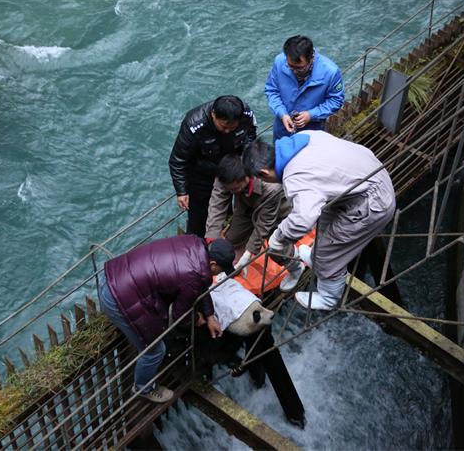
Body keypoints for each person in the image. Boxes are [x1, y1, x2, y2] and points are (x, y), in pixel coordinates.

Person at [242, 130, 396, 310]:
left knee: (330, 251)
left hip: (372, 203)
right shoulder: (305, 137)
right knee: (324, 222)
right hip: (369, 176)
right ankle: (315, 256)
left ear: (263, 173)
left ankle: (328, 298)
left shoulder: (295, 177)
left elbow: (303, 219)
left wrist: (280, 236)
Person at [96, 235, 235, 403]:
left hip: (111, 275)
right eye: (221, 270)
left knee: (154, 330)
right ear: (213, 265)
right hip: (119, 299)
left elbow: (200, 285)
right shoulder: (195, 275)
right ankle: (143, 388)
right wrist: (195, 321)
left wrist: (209, 315)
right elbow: (180, 317)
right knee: (155, 350)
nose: (220, 273)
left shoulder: (193, 244)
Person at [169, 95, 257, 237]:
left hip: (232, 170)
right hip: (202, 175)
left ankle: (229, 234)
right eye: (223, 126)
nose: (228, 131)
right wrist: (181, 191)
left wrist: (245, 160)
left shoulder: (245, 114)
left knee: (230, 206)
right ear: (213, 115)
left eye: (232, 127)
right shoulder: (194, 125)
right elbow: (178, 160)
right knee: (199, 215)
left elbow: (251, 135)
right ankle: (196, 244)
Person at [204, 155, 295, 288]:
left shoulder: (270, 187)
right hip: (246, 205)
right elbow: (217, 203)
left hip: (276, 210)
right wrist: (212, 238)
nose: (232, 192)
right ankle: (233, 267)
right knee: (233, 238)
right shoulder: (224, 176)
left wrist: (249, 251)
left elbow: (264, 223)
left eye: (235, 189)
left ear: (247, 178)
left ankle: (294, 266)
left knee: (276, 244)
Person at [264, 35, 345, 141]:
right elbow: (272, 90)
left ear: (312, 58)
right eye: (290, 66)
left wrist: (311, 115)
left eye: (299, 68)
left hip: (312, 133)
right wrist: (282, 114)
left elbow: (336, 101)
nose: (294, 71)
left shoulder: (330, 73)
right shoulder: (280, 62)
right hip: (282, 130)